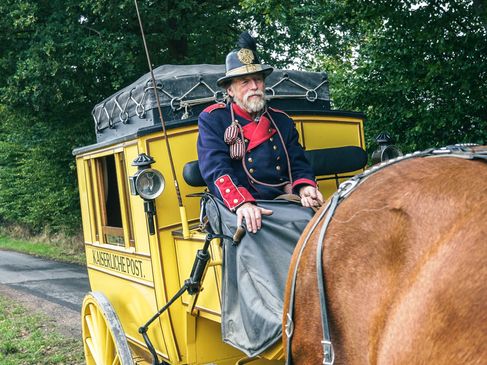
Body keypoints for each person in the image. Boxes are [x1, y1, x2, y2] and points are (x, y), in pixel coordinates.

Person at [197, 31, 323, 233]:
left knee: (317, 225)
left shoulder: (281, 120)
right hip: (238, 202)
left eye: (258, 79)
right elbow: (216, 169)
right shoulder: (213, 119)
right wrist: (242, 203)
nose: (254, 86)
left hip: (282, 200)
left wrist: (305, 187)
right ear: (230, 90)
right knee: (253, 230)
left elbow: (298, 162)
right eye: (245, 82)